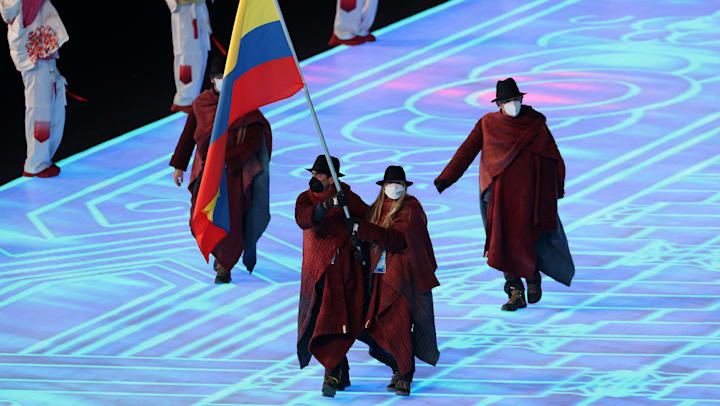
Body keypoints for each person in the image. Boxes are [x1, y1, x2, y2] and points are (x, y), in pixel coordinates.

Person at [434, 78, 575, 311]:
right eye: (508, 101)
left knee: (529, 238)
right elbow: (467, 150)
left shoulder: (535, 124)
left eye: (516, 100)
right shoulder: (488, 124)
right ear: (499, 104)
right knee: (503, 242)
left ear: (521, 99)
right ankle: (515, 291)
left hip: (530, 195)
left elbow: (553, 157)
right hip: (498, 196)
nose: (513, 105)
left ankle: (532, 279)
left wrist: (555, 189)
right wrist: (447, 177)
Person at [170, 55, 272, 283]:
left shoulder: (244, 104)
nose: (221, 81)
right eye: (218, 77)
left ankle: (225, 266)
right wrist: (179, 165)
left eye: (225, 77)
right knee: (202, 214)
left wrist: (229, 160)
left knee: (231, 220)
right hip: (207, 174)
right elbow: (189, 135)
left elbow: (254, 138)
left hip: (234, 175)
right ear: (211, 80)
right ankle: (216, 254)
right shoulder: (201, 103)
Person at [346, 165, 440, 396]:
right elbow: (364, 217)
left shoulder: (412, 210)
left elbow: (396, 240)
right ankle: (398, 367)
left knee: (398, 322)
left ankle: (405, 374)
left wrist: (362, 229)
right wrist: (344, 196)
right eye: (391, 184)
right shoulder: (379, 208)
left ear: (405, 187)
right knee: (379, 323)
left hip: (404, 279)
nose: (394, 188)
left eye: (399, 184)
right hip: (379, 278)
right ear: (383, 187)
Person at [295, 155, 369, 398]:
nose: (314, 178)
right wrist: (326, 206)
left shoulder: (348, 199)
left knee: (332, 320)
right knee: (318, 320)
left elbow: (368, 217)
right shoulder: (305, 199)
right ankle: (340, 371)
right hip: (314, 272)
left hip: (340, 270)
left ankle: (331, 372)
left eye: (319, 175)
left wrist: (355, 226)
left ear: (332, 179)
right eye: (313, 174)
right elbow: (304, 218)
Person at [1, 0, 68, 178]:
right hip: (34, 59)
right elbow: (21, 14)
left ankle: (42, 158)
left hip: (43, 54)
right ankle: (36, 162)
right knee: (40, 112)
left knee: (52, 108)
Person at [166, 0, 212, 114]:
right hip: (184, 13)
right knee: (186, 58)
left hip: (199, 9)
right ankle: (185, 99)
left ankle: (194, 96)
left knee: (202, 54)